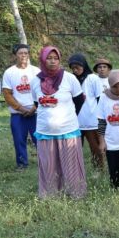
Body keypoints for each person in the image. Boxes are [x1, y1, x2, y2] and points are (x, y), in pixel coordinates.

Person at [31, 46, 87, 198]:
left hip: (67, 130)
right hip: (45, 131)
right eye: (49, 58)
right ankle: (50, 194)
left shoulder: (69, 78)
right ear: (42, 59)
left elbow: (79, 101)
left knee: (71, 166)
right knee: (49, 165)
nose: (53, 61)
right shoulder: (35, 81)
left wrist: (68, 116)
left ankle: (75, 193)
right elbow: (37, 103)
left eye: (56, 58)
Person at [2, 44, 39, 170]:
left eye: (26, 53)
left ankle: (45, 162)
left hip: (35, 112)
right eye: (20, 53)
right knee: (19, 139)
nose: (23, 55)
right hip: (18, 113)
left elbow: (42, 91)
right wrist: (21, 108)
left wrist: (34, 107)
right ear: (15, 55)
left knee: (39, 139)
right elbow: (7, 94)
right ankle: (22, 163)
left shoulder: (36, 71)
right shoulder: (9, 72)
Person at [68, 53, 104, 169]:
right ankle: (75, 170)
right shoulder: (71, 79)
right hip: (75, 120)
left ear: (83, 65)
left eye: (77, 67)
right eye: (73, 68)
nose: (75, 70)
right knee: (75, 149)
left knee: (95, 147)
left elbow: (100, 98)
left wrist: (101, 117)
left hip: (91, 120)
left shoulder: (92, 78)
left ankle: (98, 169)